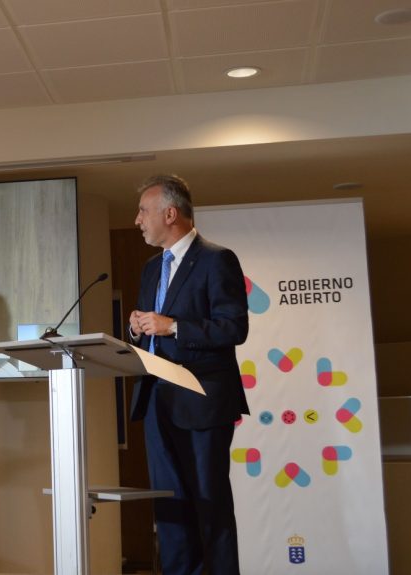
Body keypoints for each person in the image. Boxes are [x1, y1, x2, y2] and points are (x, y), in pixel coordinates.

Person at [128, 175, 249, 575]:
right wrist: (138, 327)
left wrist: (173, 326)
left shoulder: (217, 259)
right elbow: (154, 325)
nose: (137, 220)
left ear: (170, 213)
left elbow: (234, 328)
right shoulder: (150, 268)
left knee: (208, 503)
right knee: (171, 508)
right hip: (157, 400)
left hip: (201, 401)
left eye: (143, 211)